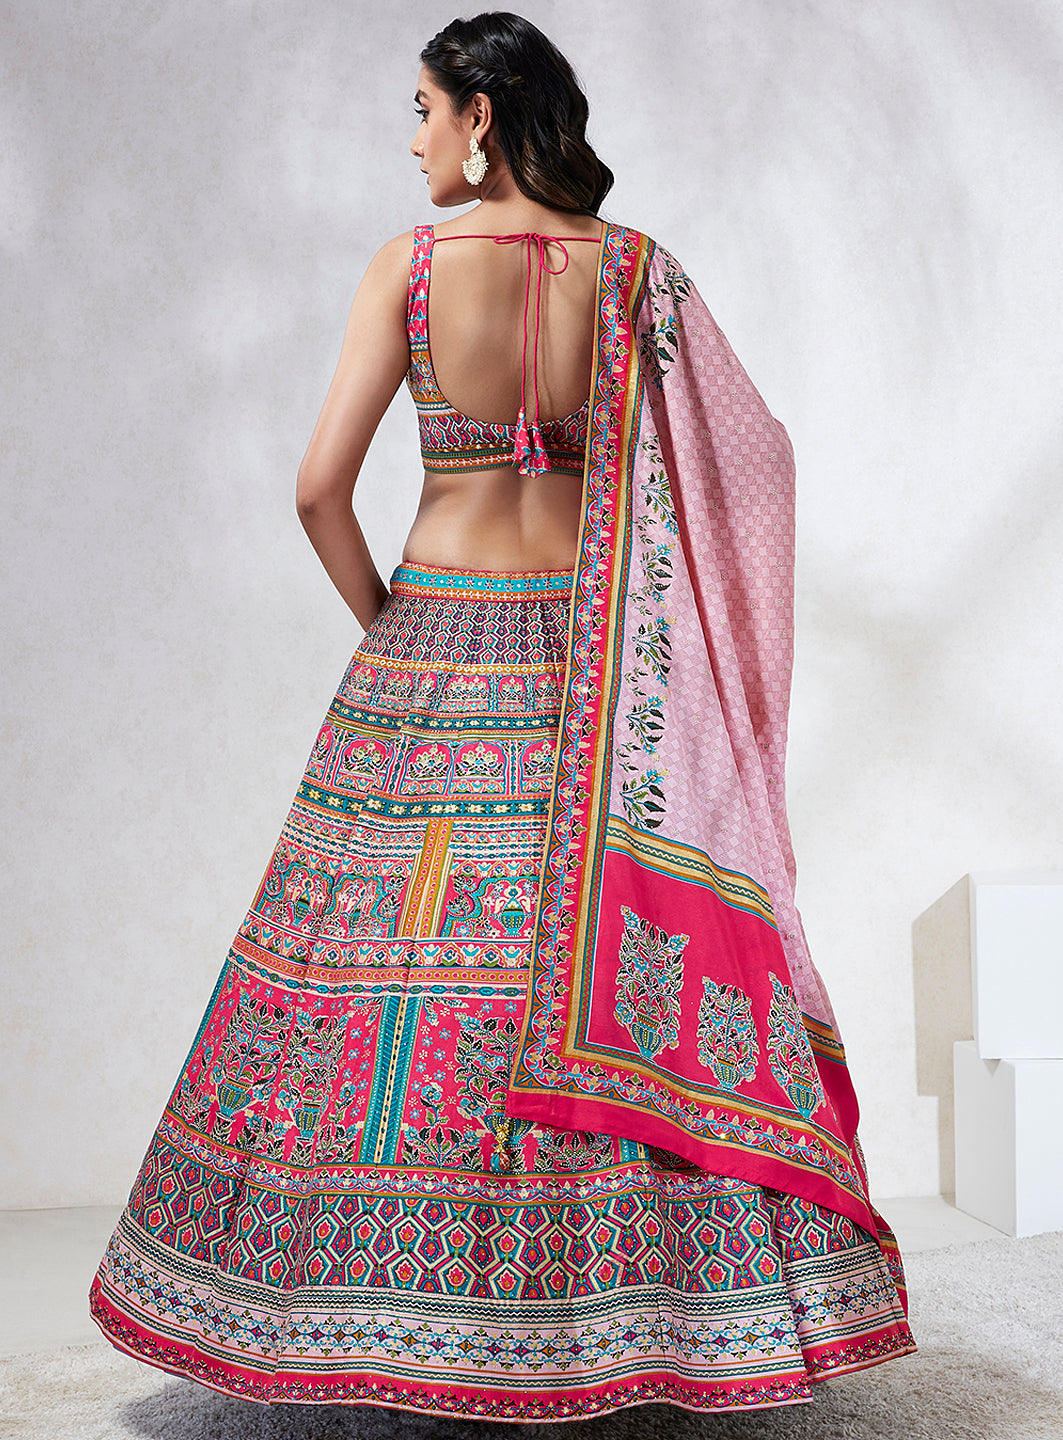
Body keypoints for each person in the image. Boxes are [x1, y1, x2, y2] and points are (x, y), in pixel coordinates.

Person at [90, 11, 916, 1419]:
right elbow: (754, 464)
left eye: (422, 109)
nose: (411, 138)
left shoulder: (409, 270)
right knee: (581, 961)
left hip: (432, 640)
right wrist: (669, 626)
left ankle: (375, 1306)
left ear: (481, 117)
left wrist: (393, 628)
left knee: (395, 969)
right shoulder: (636, 272)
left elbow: (318, 491)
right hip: (592, 666)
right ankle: (638, 1321)